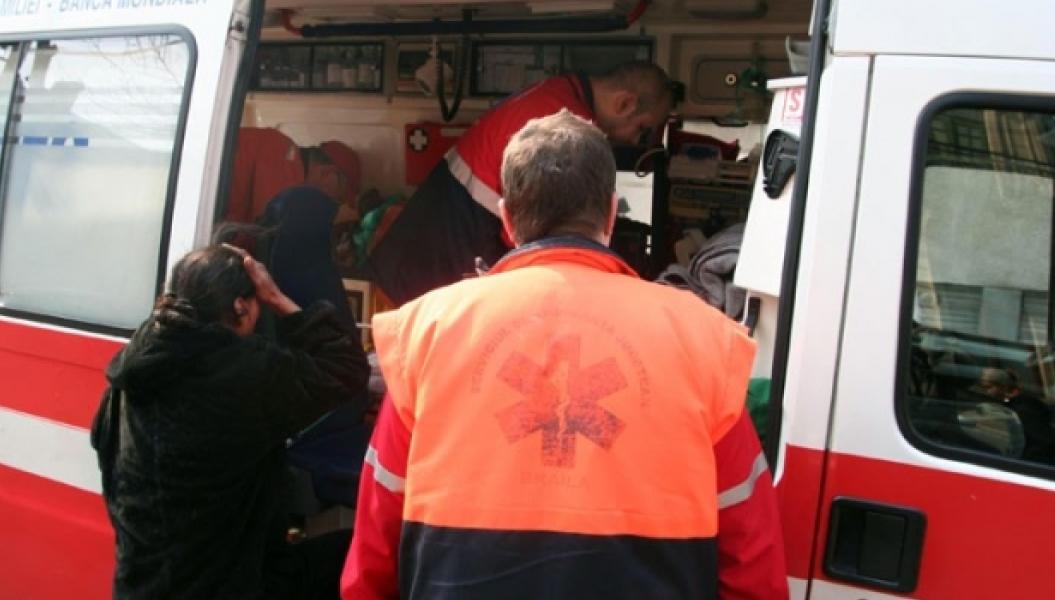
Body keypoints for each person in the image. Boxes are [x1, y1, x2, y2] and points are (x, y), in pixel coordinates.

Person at [342, 111, 787, 600]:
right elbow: (753, 564)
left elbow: (374, 552)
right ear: (611, 214)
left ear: (506, 220)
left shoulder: (430, 334)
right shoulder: (700, 340)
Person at [90, 244, 370, 600]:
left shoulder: (128, 377)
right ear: (241, 306)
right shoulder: (239, 370)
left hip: (139, 586)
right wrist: (278, 298)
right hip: (233, 586)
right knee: (369, 550)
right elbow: (347, 368)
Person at [368, 61, 675, 305]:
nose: (635, 141)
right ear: (624, 104)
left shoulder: (556, 90)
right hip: (422, 283)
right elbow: (545, 246)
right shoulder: (569, 132)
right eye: (642, 129)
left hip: (408, 266)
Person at [972, 367, 1055, 463]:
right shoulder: (1008, 404)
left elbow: (1042, 443)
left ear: (1003, 387)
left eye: (988, 387)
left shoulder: (1024, 409)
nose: (985, 392)